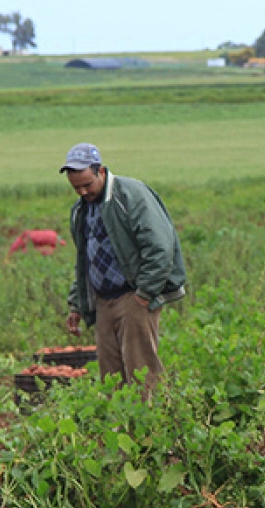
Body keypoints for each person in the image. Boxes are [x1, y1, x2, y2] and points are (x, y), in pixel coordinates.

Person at [61, 143, 186, 392]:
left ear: (102, 172)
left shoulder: (130, 195)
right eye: (77, 188)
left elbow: (160, 247)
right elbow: (85, 260)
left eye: (87, 185)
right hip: (103, 301)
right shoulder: (80, 211)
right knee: (111, 377)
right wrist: (78, 304)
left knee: (141, 372)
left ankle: (149, 428)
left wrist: (145, 293)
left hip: (133, 296)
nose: (83, 192)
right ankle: (119, 429)